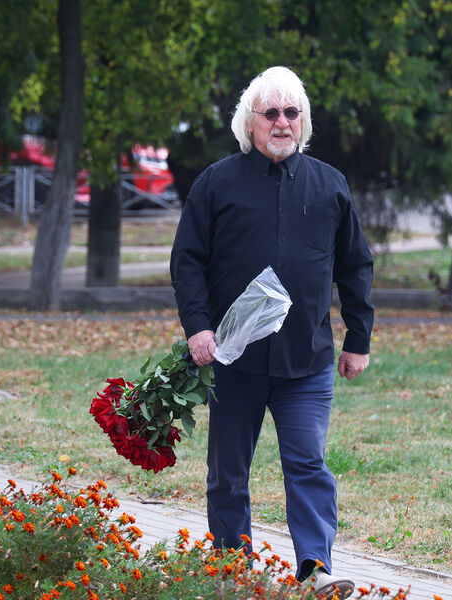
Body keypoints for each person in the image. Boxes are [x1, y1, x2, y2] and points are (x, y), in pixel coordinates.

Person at [170, 66, 373, 598]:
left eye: (292, 113)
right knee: (228, 472)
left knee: (308, 464)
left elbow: (355, 266)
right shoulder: (216, 183)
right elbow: (187, 261)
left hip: (305, 360)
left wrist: (359, 338)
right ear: (250, 122)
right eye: (272, 113)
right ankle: (233, 573)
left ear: (302, 121)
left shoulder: (330, 184)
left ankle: (315, 569)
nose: (282, 123)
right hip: (233, 361)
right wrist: (198, 328)